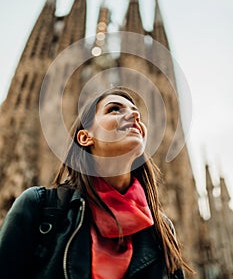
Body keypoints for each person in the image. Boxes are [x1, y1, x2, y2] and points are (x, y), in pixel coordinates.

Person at [0, 88, 192, 278]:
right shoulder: (40, 207)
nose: (134, 114)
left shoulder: (161, 230)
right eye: (114, 109)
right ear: (85, 137)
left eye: (137, 112)